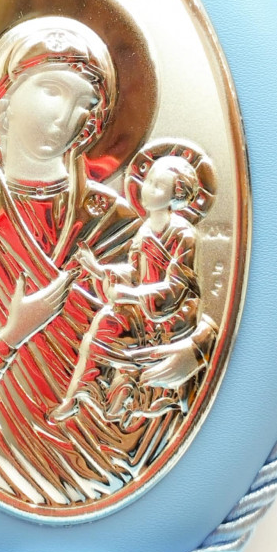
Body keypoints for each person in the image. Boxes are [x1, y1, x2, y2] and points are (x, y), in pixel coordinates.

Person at [0, 17, 206, 507]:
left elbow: (177, 308)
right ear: (3, 100)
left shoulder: (119, 224)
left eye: (85, 103)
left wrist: (197, 352)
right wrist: (11, 336)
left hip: (123, 456)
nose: (67, 116)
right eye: (52, 91)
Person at [50, 154, 216, 427]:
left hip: (171, 315)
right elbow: (136, 274)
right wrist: (100, 271)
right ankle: (78, 394)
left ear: (176, 195)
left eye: (158, 186)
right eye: (148, 181)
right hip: (143, 307)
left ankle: (129, 395)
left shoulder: (183, 234)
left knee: (121, 326)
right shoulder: (145, 231)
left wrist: (129, 295)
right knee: (106, 322)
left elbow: (176, 287)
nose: (147, 190)